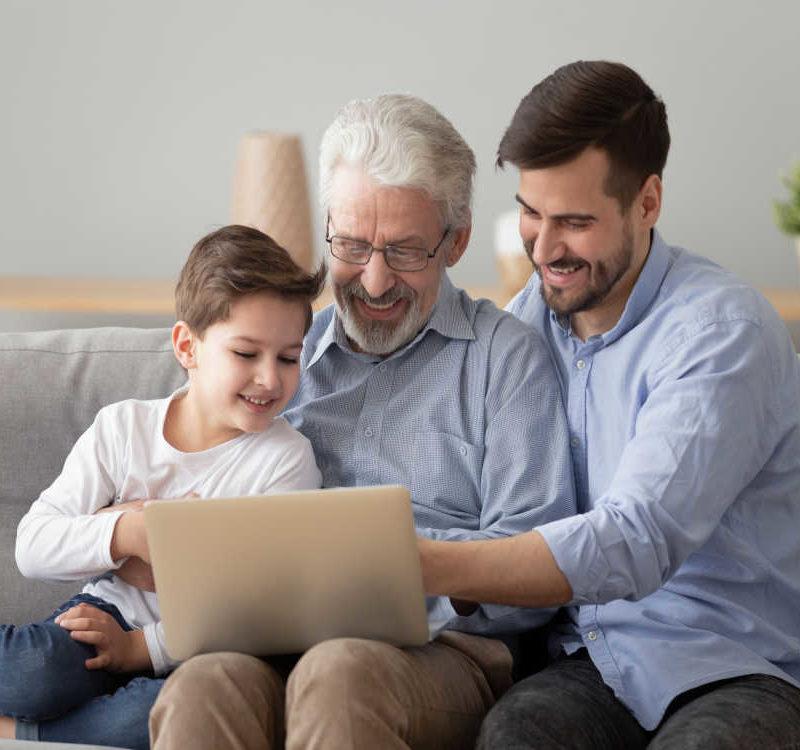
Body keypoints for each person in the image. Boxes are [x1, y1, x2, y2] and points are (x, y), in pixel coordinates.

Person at [148, 94, 576, 750]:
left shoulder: (504, 360)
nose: (374, 283)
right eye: (351, 245)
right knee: (202, 683)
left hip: (444, 655)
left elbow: (539, 575)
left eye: (405, 252)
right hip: (272, 640)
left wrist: (408, 564)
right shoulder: (282, 361)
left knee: (339, 671)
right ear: (326, 228)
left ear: (456, 241)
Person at [417, 60, 800, 748]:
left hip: (734, 663)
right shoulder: (527, 321)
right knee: (516, 736)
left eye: (575, 221)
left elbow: (635, 537)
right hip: (588, 657)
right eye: (531, 213)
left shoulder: (720, 332)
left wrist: (424, 561)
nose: (545, 245)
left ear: (647, 202)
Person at [0, 225, 324, 749]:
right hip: (102, 616)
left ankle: (23, 732)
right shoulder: (122, 428)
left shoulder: (286, 461)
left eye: (288, 358)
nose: (270, 379)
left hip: (194, 656)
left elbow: (257, 606)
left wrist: (138, 648)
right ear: (186, 347)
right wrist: (127, 530)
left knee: (156, 716)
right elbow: (33, 546)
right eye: (246, 354)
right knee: (35, 670)